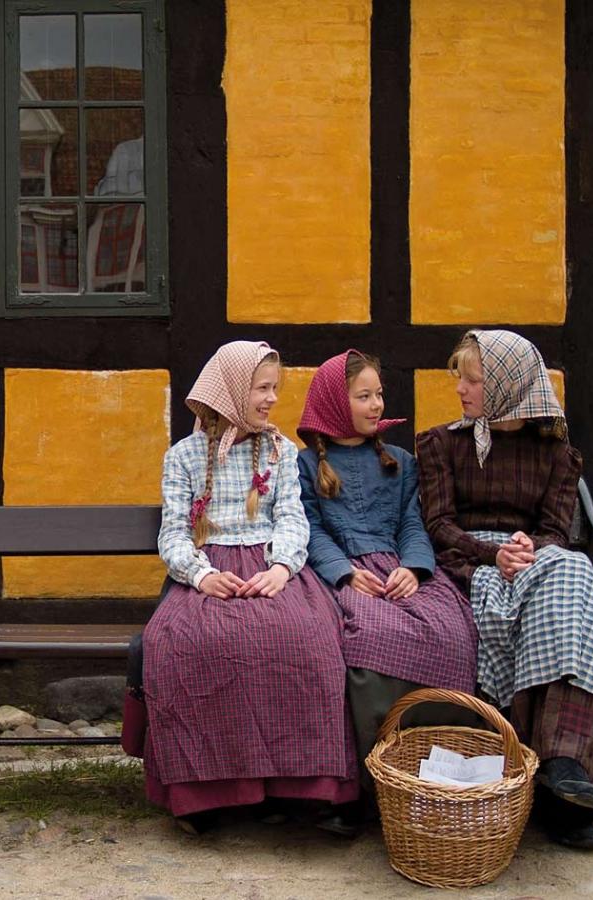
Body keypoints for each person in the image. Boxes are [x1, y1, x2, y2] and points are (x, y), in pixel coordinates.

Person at [414, 329, 593, 851]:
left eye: (472, 380)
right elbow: (439, 525)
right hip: (472, 565)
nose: (461, 390)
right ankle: (564, 777)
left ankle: (563, 774)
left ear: (506, 387)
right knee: (579, 587)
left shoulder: (556, 454)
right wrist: (493, 554)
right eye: (461, 379)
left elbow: (556, 533)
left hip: (538, 562)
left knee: (568, 570)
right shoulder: (441, 444)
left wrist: (527, 549)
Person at [146, 340, 358, 835]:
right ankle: (208, 793)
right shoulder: (183, 458)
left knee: (309, 639)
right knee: (185, 643)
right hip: (210, 567)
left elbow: (292, 518)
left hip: (270, 565)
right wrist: (201, 575)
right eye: (261, 388)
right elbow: (174, 533)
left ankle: (303, 789)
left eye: (274, 389)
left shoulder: (281, 452)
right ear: (231, 391)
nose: (271, 399)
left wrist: (283, 567)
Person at [294, 350, 477, 821]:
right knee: (368, 639)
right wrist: (345, 572)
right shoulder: (305, 466)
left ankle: (434, 778)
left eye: (379, 395)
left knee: (452, 631)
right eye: (364, 396)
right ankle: (365, 788)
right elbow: (309, 529)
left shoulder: (399, 460)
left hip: (398, 569)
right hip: (341, 574)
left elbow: (413, 524)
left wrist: (414, 570)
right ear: (336, 402)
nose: (377, 405)